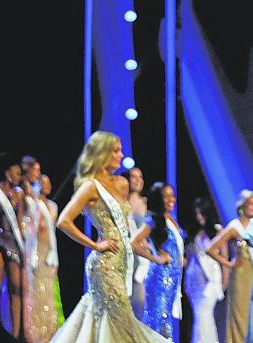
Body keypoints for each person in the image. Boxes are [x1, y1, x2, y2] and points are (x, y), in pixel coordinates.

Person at [51, 131, 169, 342]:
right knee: (121, 322)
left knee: (112, 324)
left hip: (124, 262)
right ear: (102, 153)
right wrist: (95, 245)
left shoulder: (121, 184)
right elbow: (63, 221)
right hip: (105, 265)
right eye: (116, 150)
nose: (121, 155)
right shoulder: (90, 186)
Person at [132, 182, 185, 339]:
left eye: (172, 195)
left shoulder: (171, 219)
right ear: (158, 199)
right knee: (157, 320)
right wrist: (155, 258)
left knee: (166, 318)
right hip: (160, 278)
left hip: (173, 278)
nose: (171, 199)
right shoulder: (153, 220)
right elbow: (133, 243)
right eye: (166, 196)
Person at [207, 189, 253, 343]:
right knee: (240, 315)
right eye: (251, 203)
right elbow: (210, 248)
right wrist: (229, 264)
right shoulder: (234, 226)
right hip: (241, 277)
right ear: (242, 205)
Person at [0, 153, 25, 339]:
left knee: (16, 288)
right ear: (7, 172)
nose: (19, 177)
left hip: (13, 242)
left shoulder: (19, 193)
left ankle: (15, 334)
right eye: (17, 173)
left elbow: (19, 224)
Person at [23, 174, 61, 343]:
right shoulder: (31, 205)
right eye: (43, 183)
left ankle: (51, 333)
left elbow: (46, 225)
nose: (47, 185)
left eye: (48, 182)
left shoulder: (51, 206)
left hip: (49, 253)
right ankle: (36, 332)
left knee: (49, 292)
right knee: (36, 290)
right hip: (35, 251)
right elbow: (31, 227)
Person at [184, 198, 224, 343]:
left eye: (202, 213)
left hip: (211, 280)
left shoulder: (218, 230)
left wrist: (224, 280)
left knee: (203, 315)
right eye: (197, 213)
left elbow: (224, 257)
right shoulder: (193, 232)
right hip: (194, 279)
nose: (199, 216)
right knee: (200, 316)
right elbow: (189, 257)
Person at [123, 166, 150, 319]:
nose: (138, 180)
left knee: (139, 301)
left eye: (140, 177)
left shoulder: (146, 203)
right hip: (124, 256)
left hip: (141, 259)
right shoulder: (120, 202)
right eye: (134, 176)